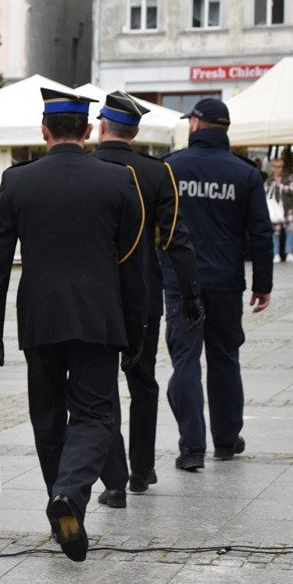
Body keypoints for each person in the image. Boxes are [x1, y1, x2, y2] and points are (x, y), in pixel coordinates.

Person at [0, 88, 146, 562]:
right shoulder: (120, 181)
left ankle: (63, 504)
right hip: (99, 317)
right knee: (96, 414)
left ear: (44, 131)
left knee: (48, 416)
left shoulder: (17, 182)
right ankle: (70, 496)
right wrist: (136, 334)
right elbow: (133, 267)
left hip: (40, 316)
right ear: (88, 130)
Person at [90, 91, 204, 505]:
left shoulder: (85, 168)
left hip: (95, 297)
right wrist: (191, 295)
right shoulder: (158, 173)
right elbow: (177, 240)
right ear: (134, 130)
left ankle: (115, 480)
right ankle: (141, 469)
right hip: (142, 294)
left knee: (99, 387)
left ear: (102, 125)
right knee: (143, 383)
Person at [164, 98, 273, 472]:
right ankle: (226, 441)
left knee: (186, 360)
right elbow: (260, 232)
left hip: (181, 282)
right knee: (225, 359)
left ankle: (192, 447)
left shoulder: (171, 167)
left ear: (196, 124)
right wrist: (263, 283)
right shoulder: (244, 173)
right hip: (227, 281)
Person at [266, 158, 293, 263]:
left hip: (287, 209)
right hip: (274, 210)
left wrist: (282, 186)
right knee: (275, 232)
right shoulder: (269, 180)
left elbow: (292, 190)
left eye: (281, 167)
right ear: (273, 168)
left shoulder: (287, 178)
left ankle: (289, 253)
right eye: (277, 167)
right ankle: (275, 254)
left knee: (291, 230)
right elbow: (264, 192)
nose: (280, 169)